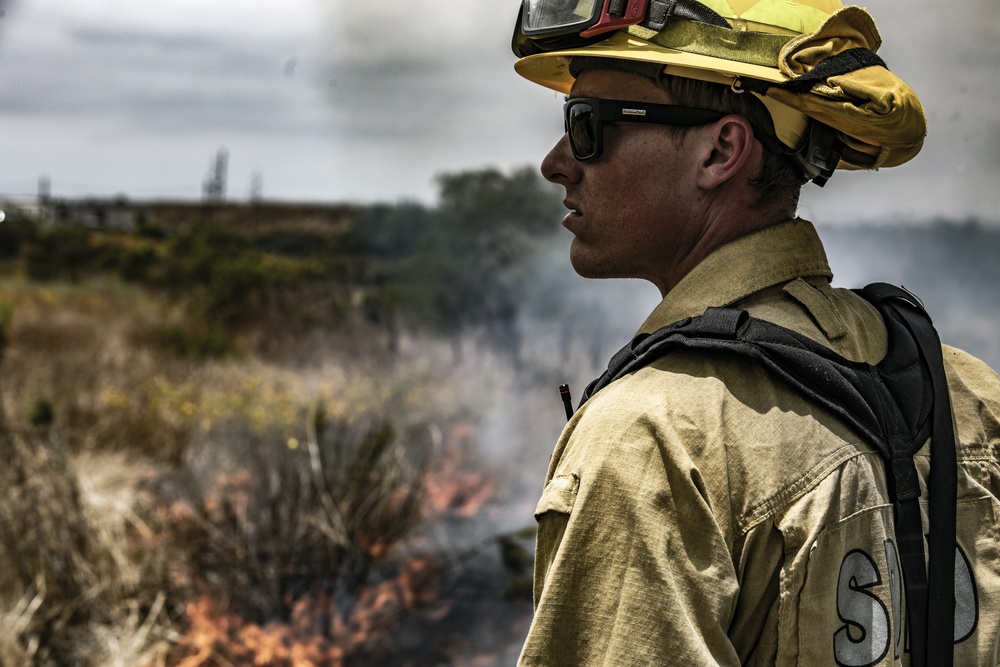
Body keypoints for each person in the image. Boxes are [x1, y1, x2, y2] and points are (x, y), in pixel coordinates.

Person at [511, 1, 1000, 665]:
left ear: (721, 150)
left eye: (589, 126)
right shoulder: (969, 390)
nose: (556, 162)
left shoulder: (651, 435)